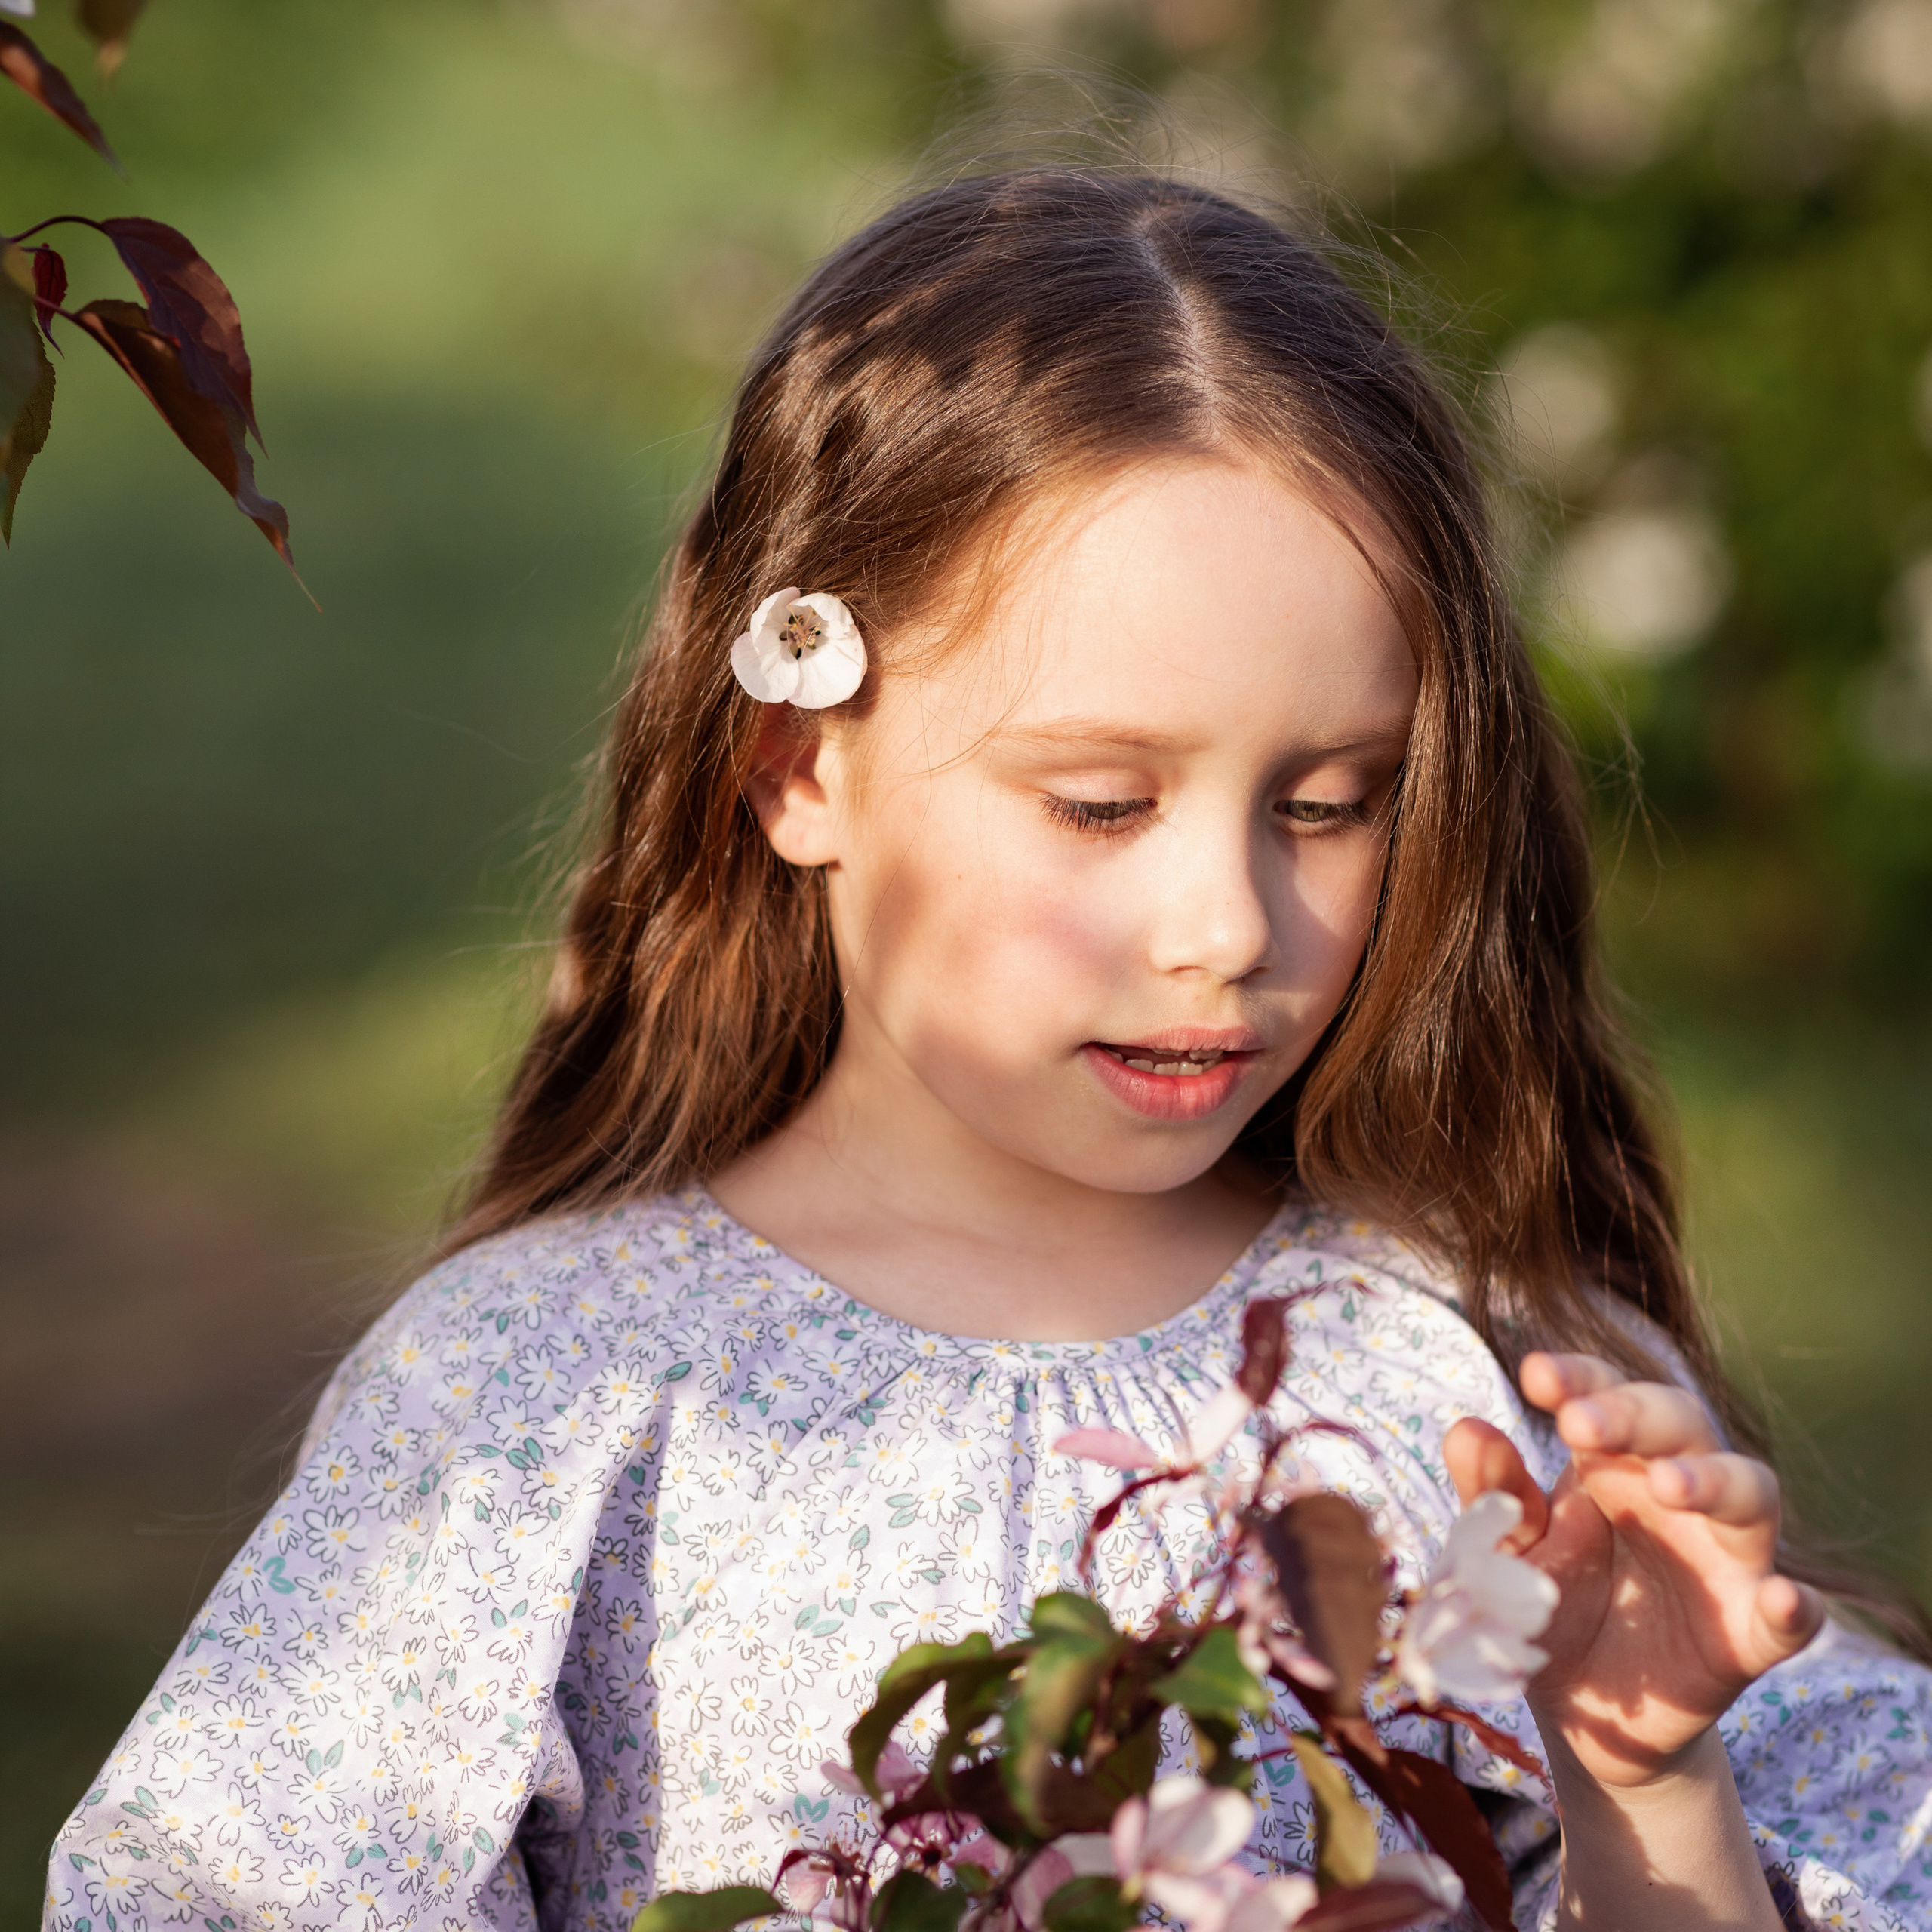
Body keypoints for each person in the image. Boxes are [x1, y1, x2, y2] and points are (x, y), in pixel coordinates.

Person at [43, 170, 1932, 1932]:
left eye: (1332, 802)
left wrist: (1647, 1778)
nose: (1226, 924)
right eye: (1101, 804)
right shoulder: (544, 1401)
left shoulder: (1470, 1377)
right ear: (799, 763)